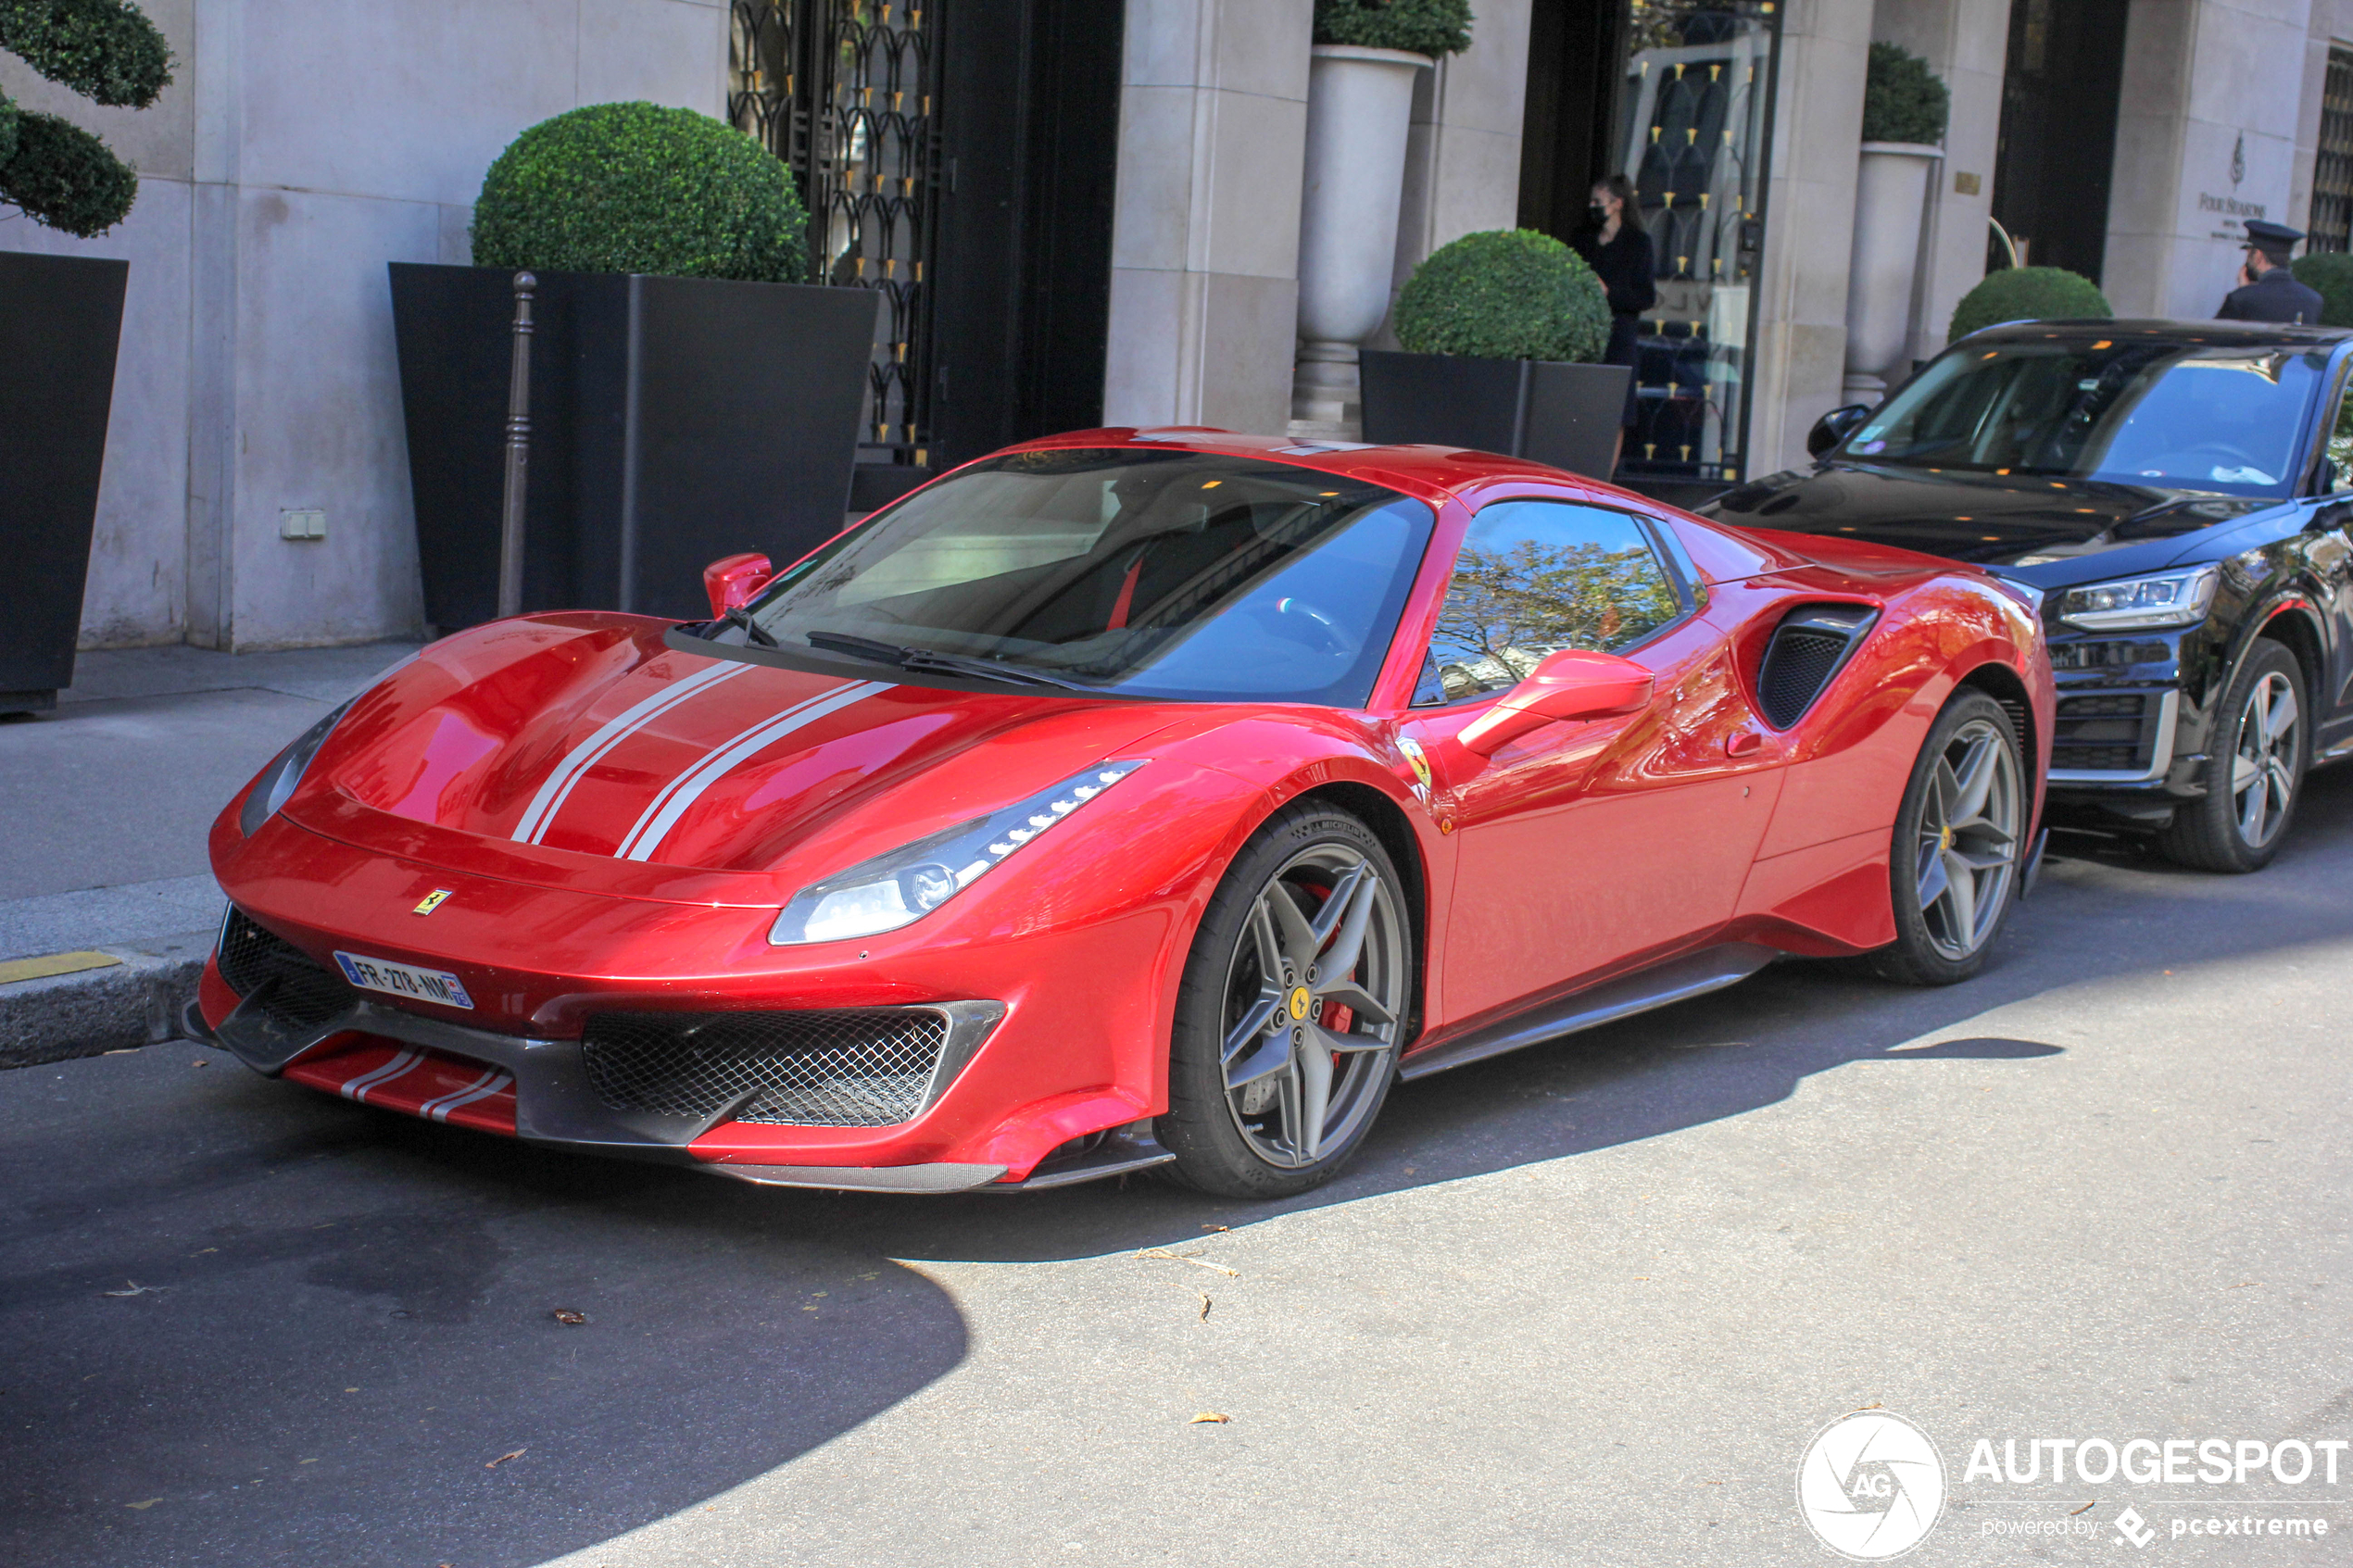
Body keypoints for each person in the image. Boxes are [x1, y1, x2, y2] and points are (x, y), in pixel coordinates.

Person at [1569, 174, 1656, 469]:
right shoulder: (1583, 240)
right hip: (1586, 335)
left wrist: (1609, 292)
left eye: (1599, 201)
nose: (1593, 207)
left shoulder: (1638, 244)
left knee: (1617, 411)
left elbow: (1645, 296)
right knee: (1583, 408)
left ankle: (1605, 479)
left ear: (1617, 204)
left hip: (1619, 337)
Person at [2216, 220, 2323, 323]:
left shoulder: (2240, 298)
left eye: (2249, 254)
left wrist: (2245, 292)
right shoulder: (2313, 299)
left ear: (2258, 255)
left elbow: (2217, 337)